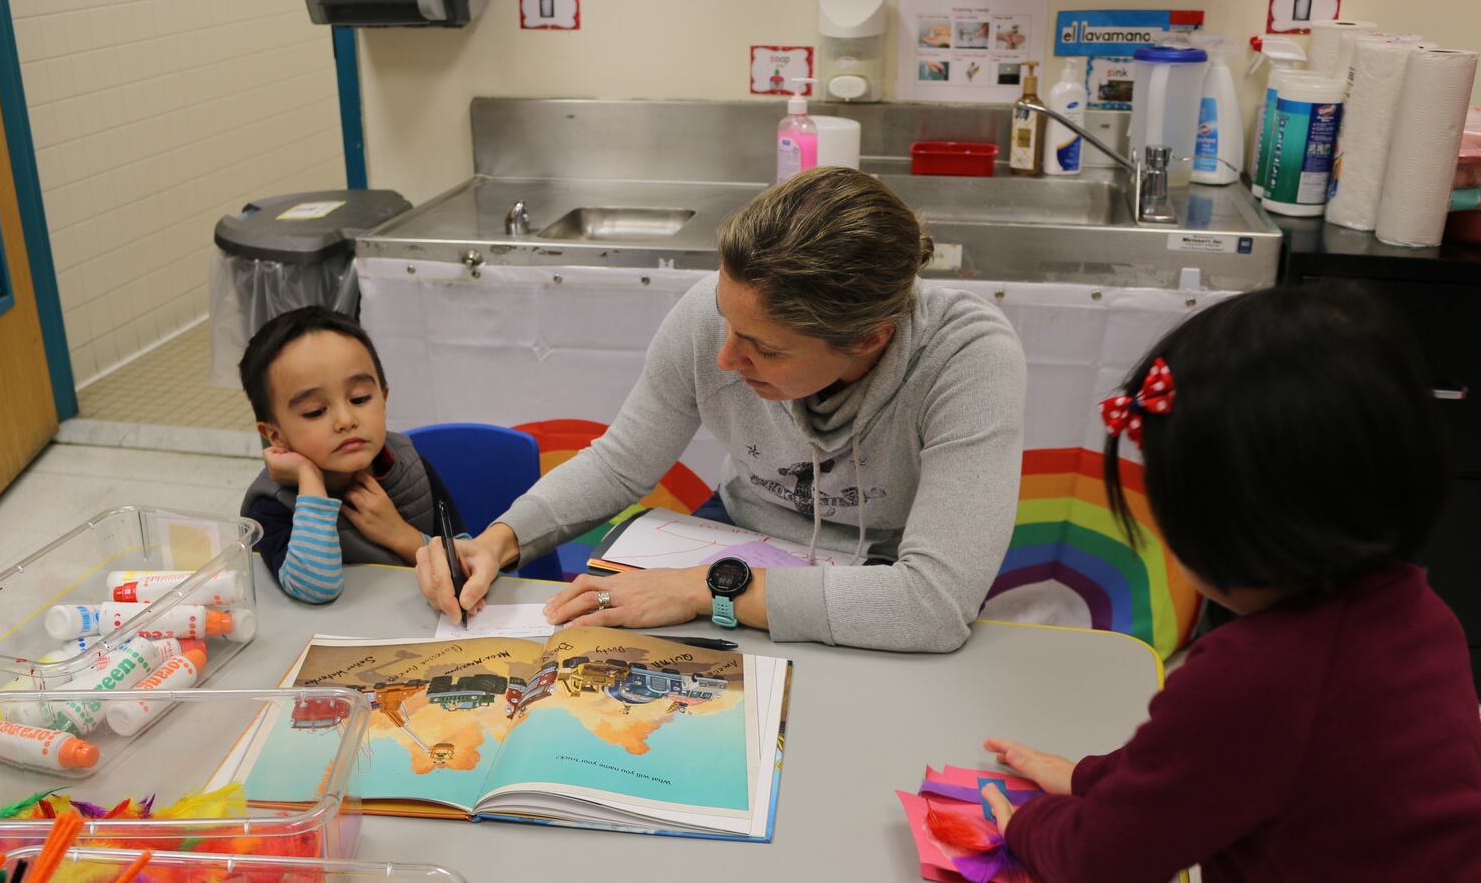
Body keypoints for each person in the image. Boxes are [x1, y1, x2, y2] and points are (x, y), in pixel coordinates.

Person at [979, 284, 1481, 880]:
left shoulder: (1253, 675)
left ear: (1227, 518)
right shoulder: (1421, 613)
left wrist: (1021, 824)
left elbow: (1100, 860)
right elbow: (1203, 761)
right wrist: (1088, 779)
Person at [415, 167, 1026, 652]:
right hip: (736, 534)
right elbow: (621, 463)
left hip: (879, 569)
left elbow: (931, 606)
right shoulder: (714, 317)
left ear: (870, 338)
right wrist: (500, 539)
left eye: (765, 348)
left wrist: (706, 589)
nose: (727, 357)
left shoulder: (967, 358)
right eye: (727, 322)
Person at [238, 307, 459, 603]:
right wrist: (309, 481)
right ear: (275, 435)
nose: (345, 420)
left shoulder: (411, 467)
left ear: (384, 399)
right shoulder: (269, 503)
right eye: (315, 411)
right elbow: (314, 588)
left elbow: (467, 560)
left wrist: (400, 535)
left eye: (360, 398)